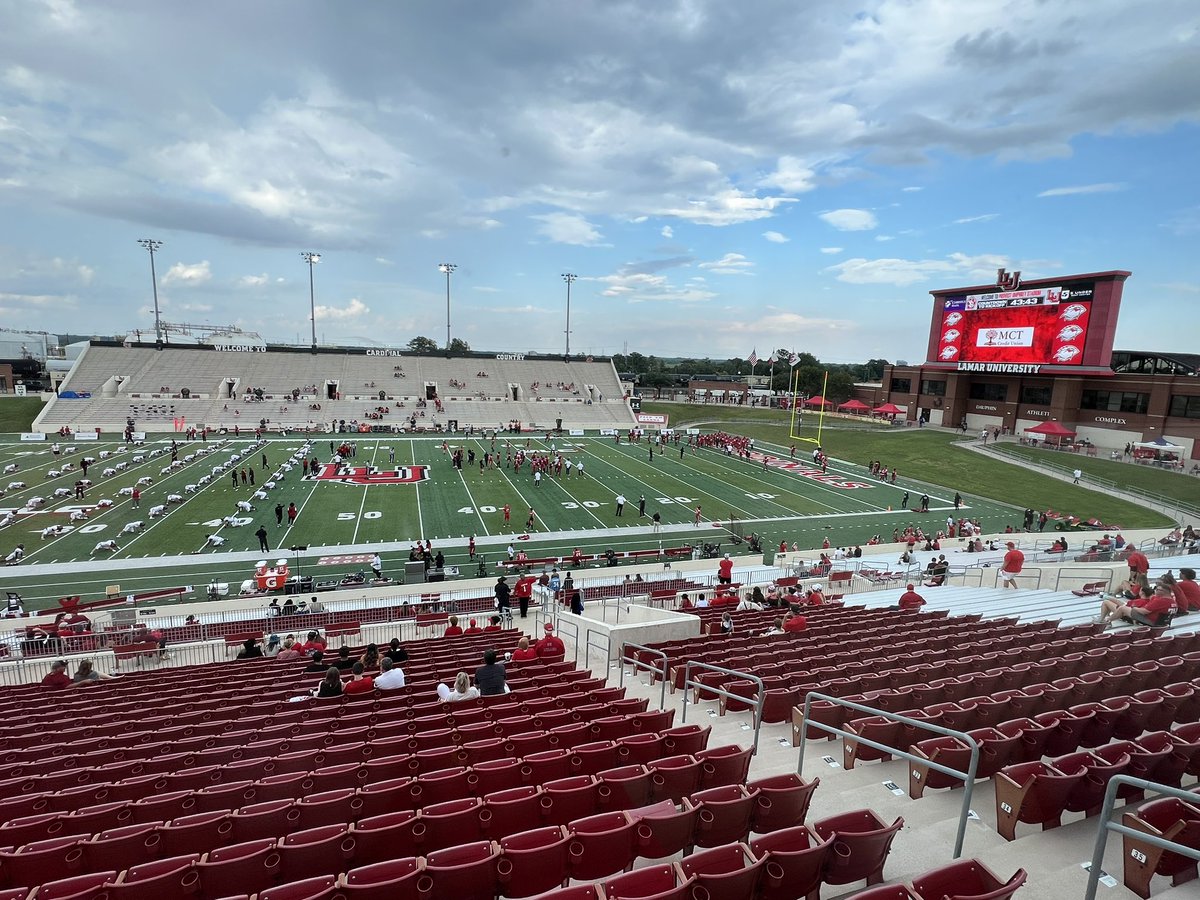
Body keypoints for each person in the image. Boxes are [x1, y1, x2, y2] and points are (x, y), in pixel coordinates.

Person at [1096, 583, 1175, 628]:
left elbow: (1144, 611)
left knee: (1122, 608)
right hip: (1163, 623)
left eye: (1158, 590)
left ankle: (1107, 621)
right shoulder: (1173, 602)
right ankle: (1106, 619)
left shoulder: (1160, 601)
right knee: (1121, 606)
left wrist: (1135, 608)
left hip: (1151, 622)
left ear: (1164, 592)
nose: (1156, 591)